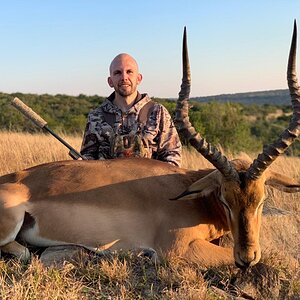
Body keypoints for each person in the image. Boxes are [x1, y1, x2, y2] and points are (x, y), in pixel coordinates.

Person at [80, 53, 182, 167]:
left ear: (139, 78)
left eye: (129, 72)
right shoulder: (95, 117)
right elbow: (87, 160)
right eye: (117, 73)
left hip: (149, 184)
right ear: (110, 81)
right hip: (107, 184)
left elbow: (173, 157)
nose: (124, 77)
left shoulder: (158, 112)